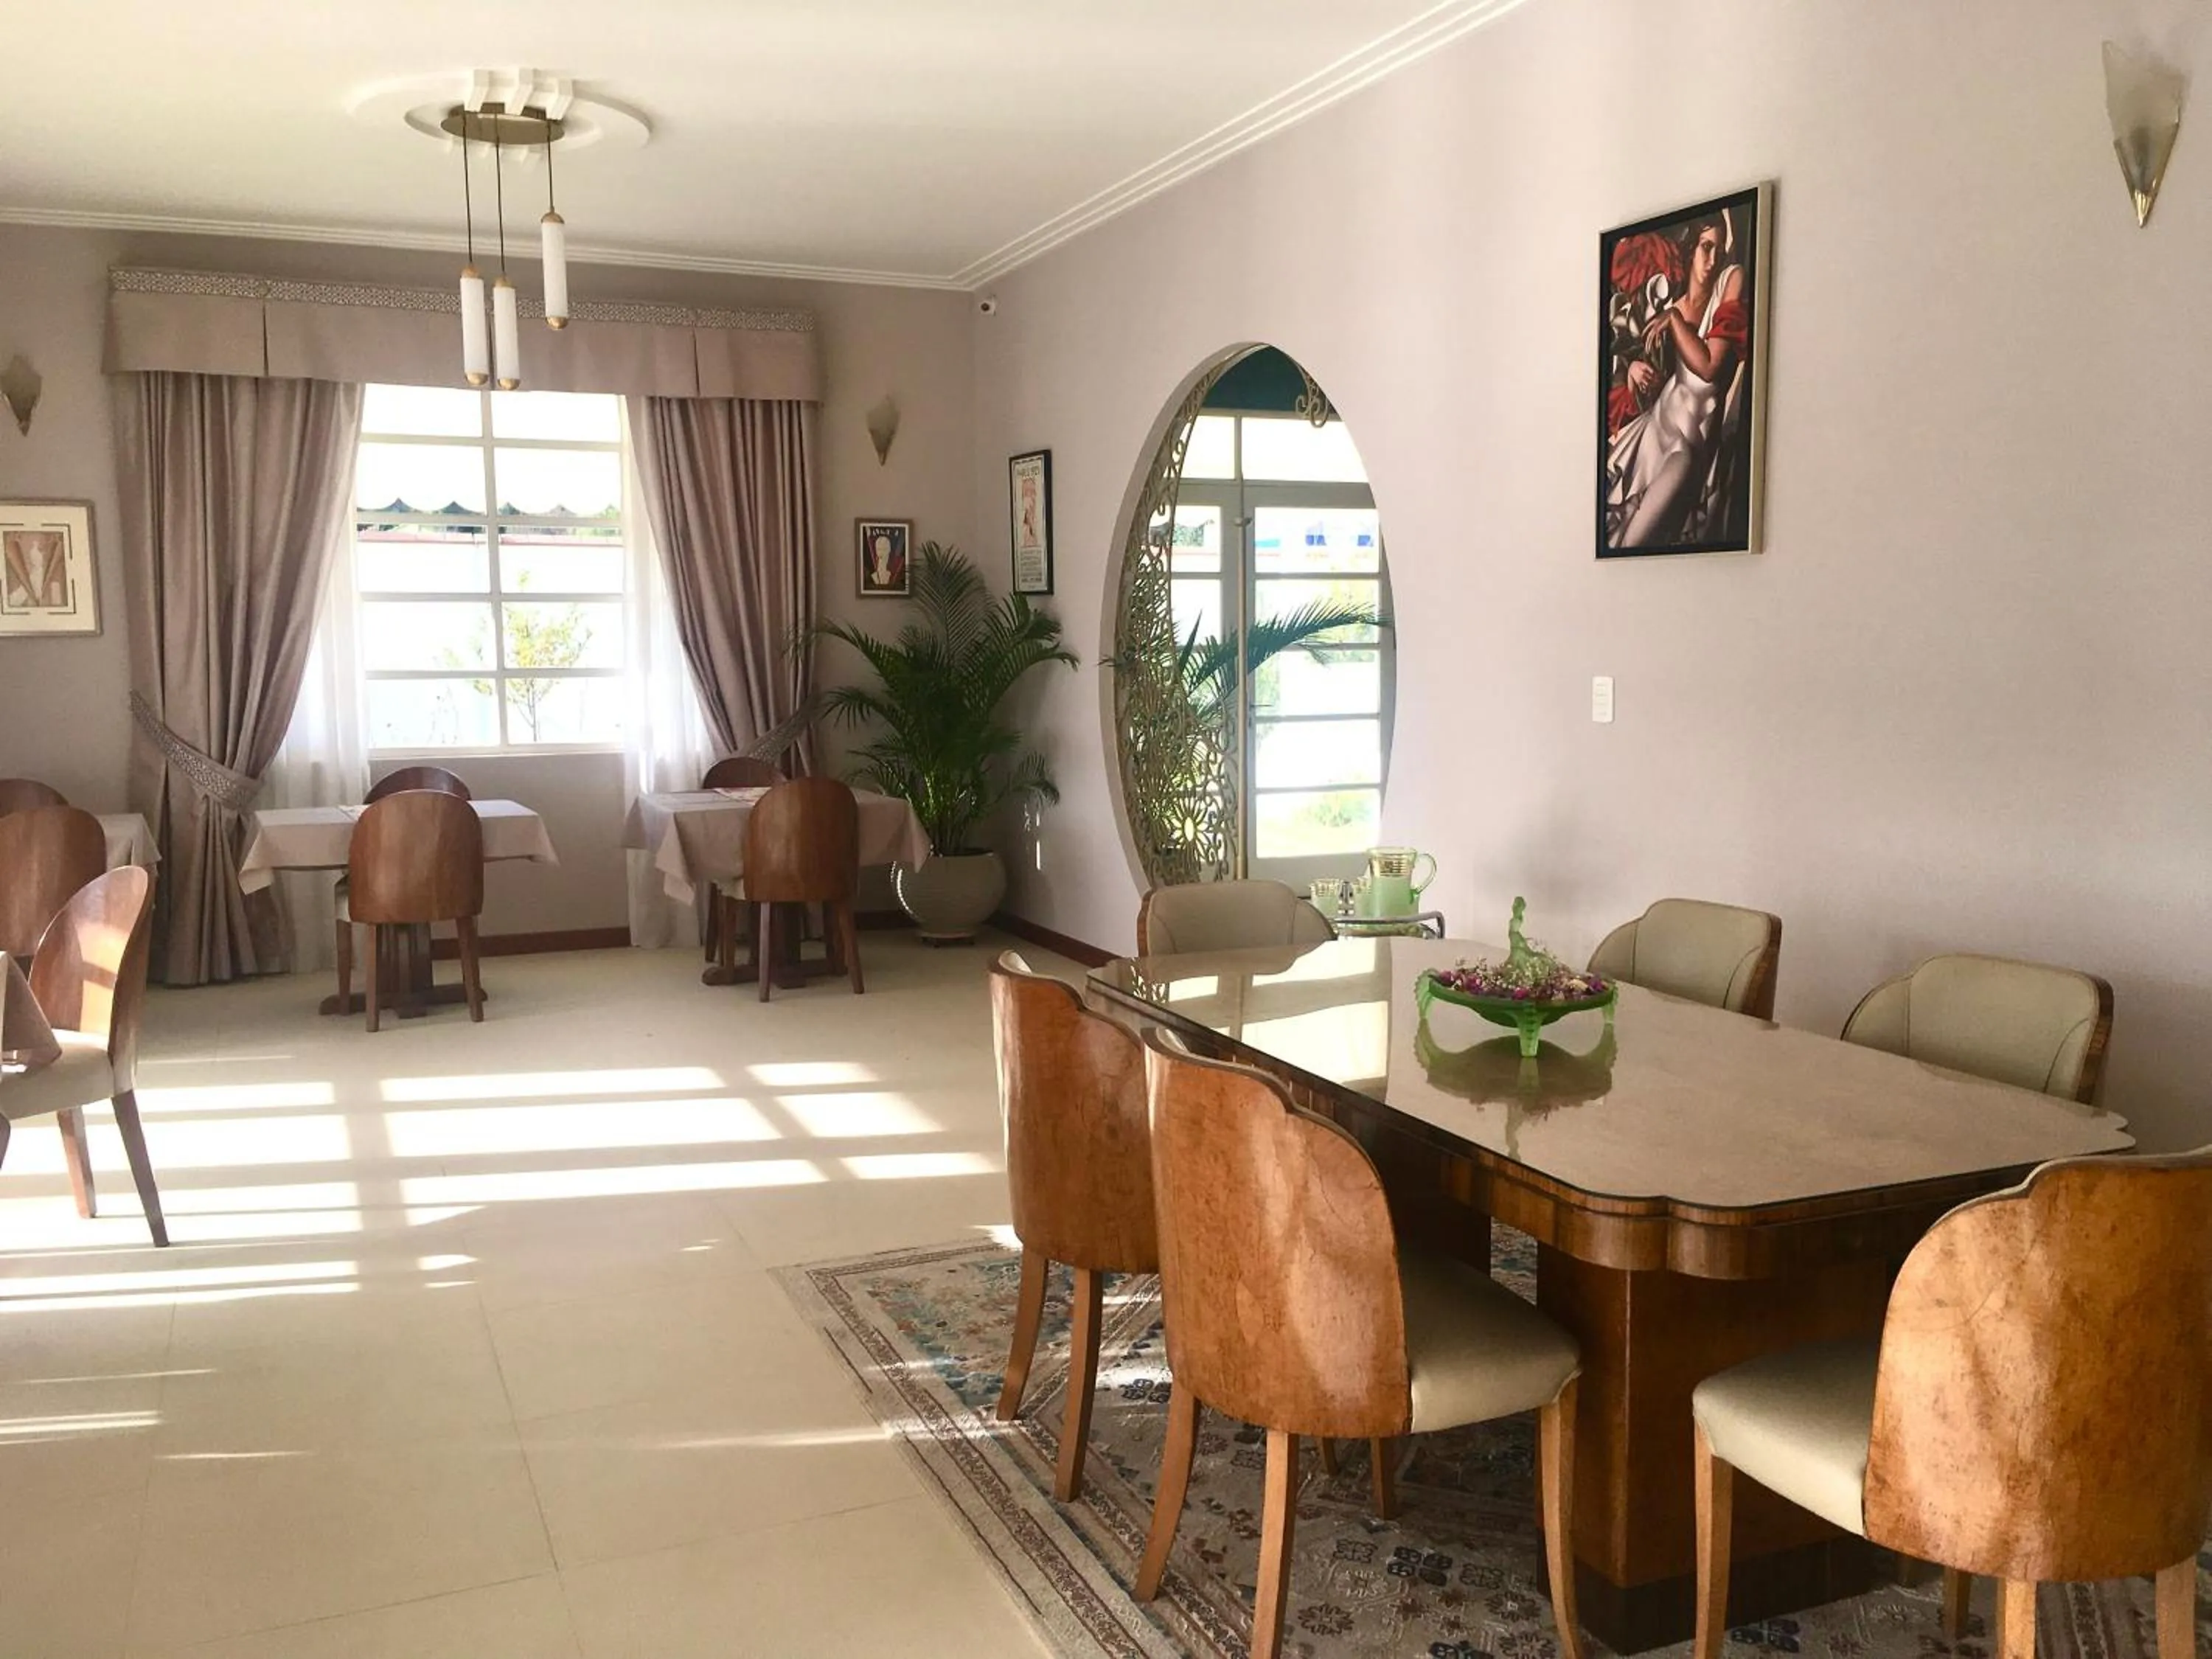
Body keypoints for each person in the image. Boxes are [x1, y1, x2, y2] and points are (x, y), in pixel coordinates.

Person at [1604, 212, 1750, 549]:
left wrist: (1674, 321)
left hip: (1686, 448)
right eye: (1705, 248)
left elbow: (1710, 367)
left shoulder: (1730, 280)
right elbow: (1632, 363)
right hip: (1652, 432)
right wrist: (1632, 370)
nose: (1712, 260)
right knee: (1614, 541)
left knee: (1635, 543)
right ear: (1690, 251)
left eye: (1718, 248)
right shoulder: (1670, 304)